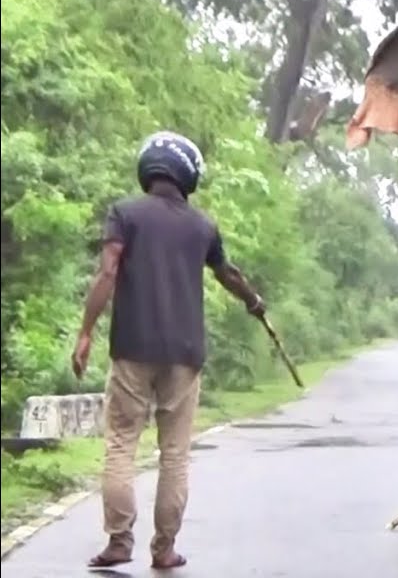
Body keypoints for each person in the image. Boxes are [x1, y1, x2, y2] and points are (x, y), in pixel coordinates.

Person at [71, 130, 267, 570]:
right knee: (174, 454)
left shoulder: (125, 213)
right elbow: (228, 274)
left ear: (149, 169)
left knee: (121, 444)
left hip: (132, 348)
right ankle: (164, 549)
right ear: (187, 176)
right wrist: (254, 302)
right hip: (184, 353)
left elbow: (107, 273)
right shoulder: (202, 226)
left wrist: (85, 332)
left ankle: (119, 541)